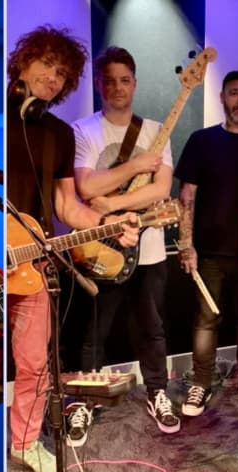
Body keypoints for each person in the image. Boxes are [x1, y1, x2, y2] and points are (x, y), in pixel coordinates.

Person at [6, 26, 139, 472]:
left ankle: (24, 442)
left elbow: (65, 204)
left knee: (37, 363)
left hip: (35, 263)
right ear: (22, 61)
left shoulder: (59, 135)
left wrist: (107, 226)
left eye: (62, 74)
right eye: (46, 65)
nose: (53, 78)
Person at [72, 46, 179, 436]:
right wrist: (135, 168)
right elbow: (84, 185)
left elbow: (161, 190)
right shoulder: (83, 131)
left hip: (148, 250)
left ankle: (157, 392)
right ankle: (84, 399)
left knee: (152, 327)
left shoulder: (156, 132)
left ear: (135, 83)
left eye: (125, 80)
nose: (118, 87)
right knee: (95, 331)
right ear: (99, 84)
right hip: (100, 250)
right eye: (110, 80)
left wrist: (111, 202)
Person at [175, 70, 238, 417]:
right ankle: (201, 383)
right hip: (209, 252)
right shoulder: (201, 141)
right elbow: (186, 196)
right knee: (205, 320)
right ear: (222, 97)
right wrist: (186, 245)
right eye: (234, 93)